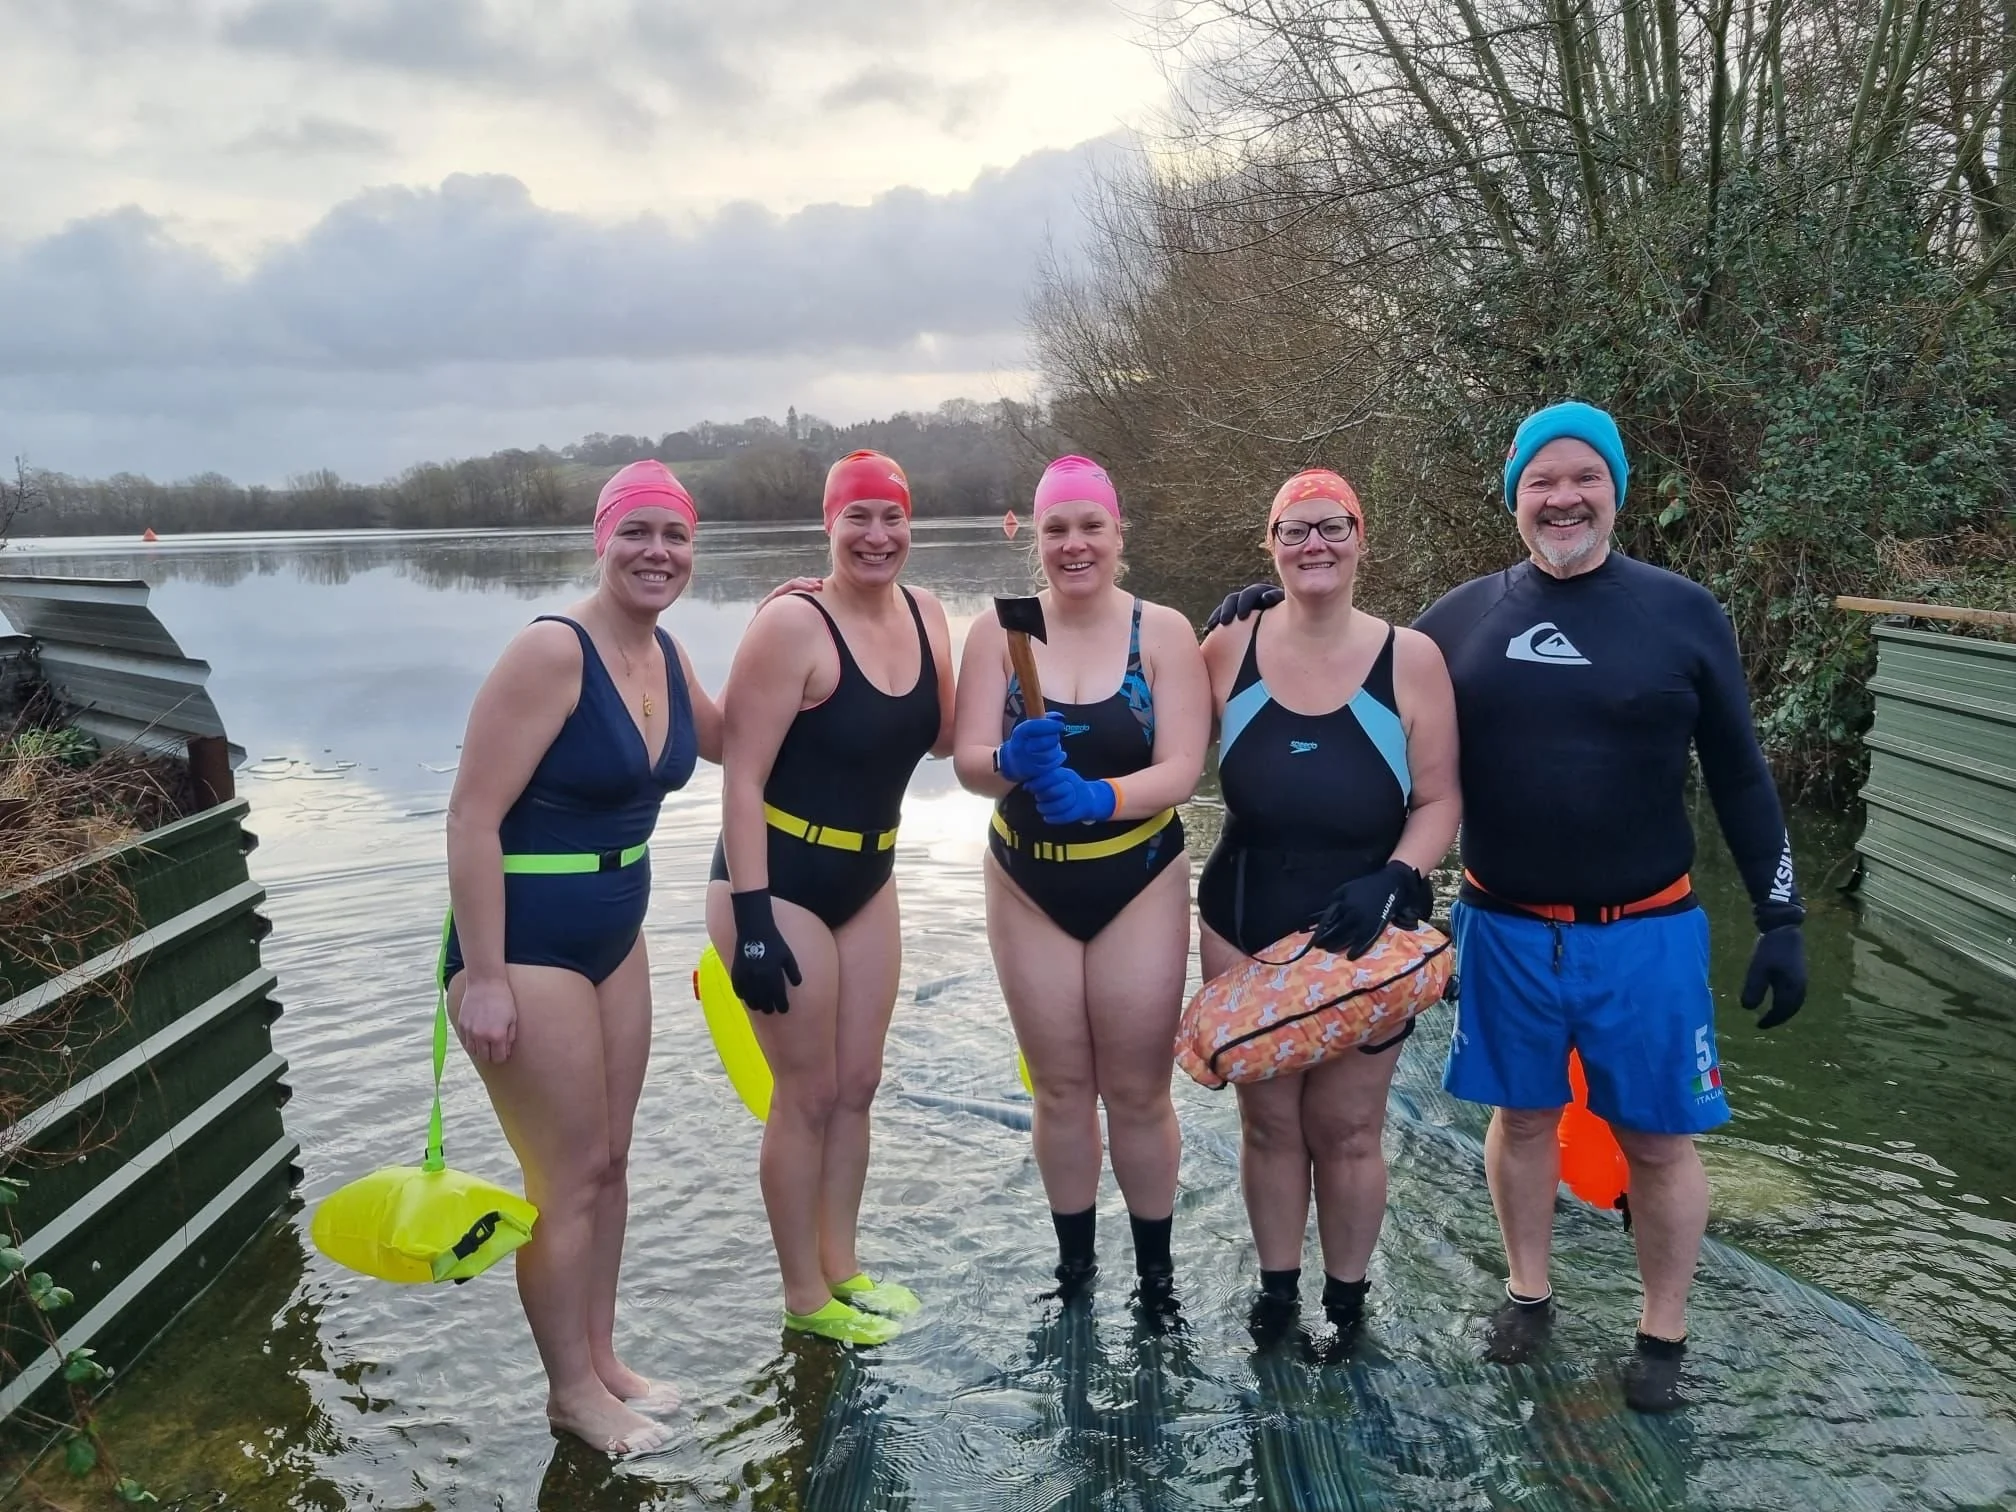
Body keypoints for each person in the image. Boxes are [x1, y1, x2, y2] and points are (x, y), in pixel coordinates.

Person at [443, 460, 713, 1458]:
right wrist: (482, 975)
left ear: (694, 551)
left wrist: (810, 616)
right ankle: (569, 1392)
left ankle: (603, 1361)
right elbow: (471, 816)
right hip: (527, 941)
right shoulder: (552, 653)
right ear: (602, 541)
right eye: (636, 533)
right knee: (563, 1177)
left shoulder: (669, 654)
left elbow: (738, 732)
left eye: (675, 537)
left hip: (616, 935)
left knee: (609, 1162)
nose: (657, 553)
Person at [1196, 469, 1460, 1344]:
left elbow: (1440, 801)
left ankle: (1344, 1308)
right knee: (1269, 1123)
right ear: (1268, 546)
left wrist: (1400, 877)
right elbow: (1134, 721)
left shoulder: (1412, 659)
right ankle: (1277, 1296)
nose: (1315, 545)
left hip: (1366, 929)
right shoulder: (1226, 649)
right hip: (1245, 914)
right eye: (1294, 530)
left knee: (1348, 1129)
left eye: (1332, 528)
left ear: (1362, 539)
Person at [707, 449, 955, 1346]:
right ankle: (803, 1296)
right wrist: (755, 918)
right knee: (806, 1092)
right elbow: (740, 777)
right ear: (830, 525)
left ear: (910, 524)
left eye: (892, 517)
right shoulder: (791, 626)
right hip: (774, 877)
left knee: (859, 1084)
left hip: (869, 873)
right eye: (859, 518)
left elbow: (950, 743)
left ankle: (843, 1265)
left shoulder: (931, 615)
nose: (877, 535)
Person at [952, 455, 1211, 1313]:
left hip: (1139, 875)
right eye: (1057, 528)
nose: (1074, 545)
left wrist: (1101, 796)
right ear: (1034, 537)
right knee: (1060, 1086)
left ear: (1117, 534)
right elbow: (966, 763)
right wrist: (1007, 762)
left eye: (1090, 526)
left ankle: (1156, 1278)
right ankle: (1074, 1273)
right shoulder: (1002, 631)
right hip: (1029, 882)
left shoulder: (1162, 631)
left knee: (1138, 1089)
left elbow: (1182, 766)